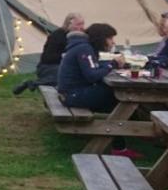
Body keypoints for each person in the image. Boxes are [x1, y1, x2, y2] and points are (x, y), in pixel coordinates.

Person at [57, 22, 138, 158]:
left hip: (70, 93)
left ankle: (123, 142)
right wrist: (112, 65)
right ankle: (123, 143)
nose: (113, 42)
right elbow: (92, 76)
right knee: (119, 99)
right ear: (102, 38)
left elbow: (93, 68)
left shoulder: (84, 48)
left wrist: (109, 65)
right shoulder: (84, 49)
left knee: (118, 102)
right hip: (73, 95)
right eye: (110, 38)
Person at [12, 12, 83, 95]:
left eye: (82, 24)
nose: (81, 27)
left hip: (66, 66)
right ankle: (32, 83)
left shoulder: (81, 36)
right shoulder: (57, 36)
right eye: (78, 24)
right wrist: (64, 57)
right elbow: (48, 58)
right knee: (62, 76)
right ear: (69, 24)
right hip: (48, 66)